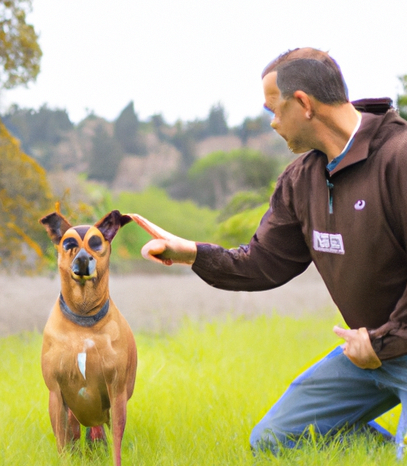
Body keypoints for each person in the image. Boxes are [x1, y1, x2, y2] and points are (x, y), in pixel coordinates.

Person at [130, 47, 407, 455]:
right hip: (369, 353)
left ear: (303, 104)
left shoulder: (398, 158)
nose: (273, 123)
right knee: (275, 439)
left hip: (387, 343)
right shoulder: (302, 180)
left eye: (273, 110)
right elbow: (262, 263)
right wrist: (189, 251)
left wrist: (384, 341)